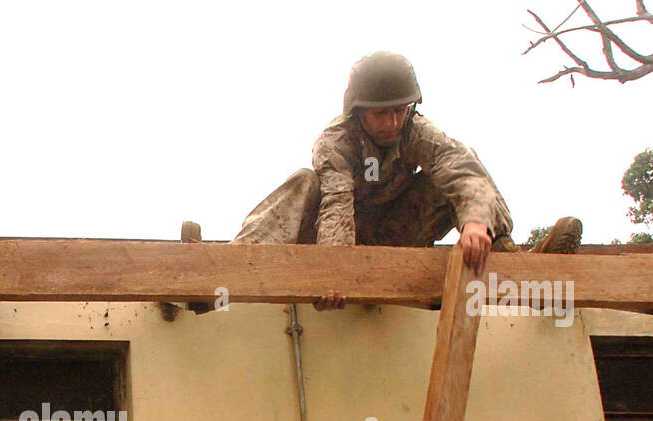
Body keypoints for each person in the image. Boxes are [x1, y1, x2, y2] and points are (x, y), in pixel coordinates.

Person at [232, 52, 582, 310]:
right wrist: (335, 272)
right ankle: (224, 275)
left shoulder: (417, 131)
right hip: (339, 241)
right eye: (381, 112)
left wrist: (476, 223)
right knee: (304, 182)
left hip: (396, 238)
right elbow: (337, 203)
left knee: (466, 175)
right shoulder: (336, 141)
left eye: (401, 110)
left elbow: (460, 169)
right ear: (358, 111)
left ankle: (524, 272)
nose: (393, 121)